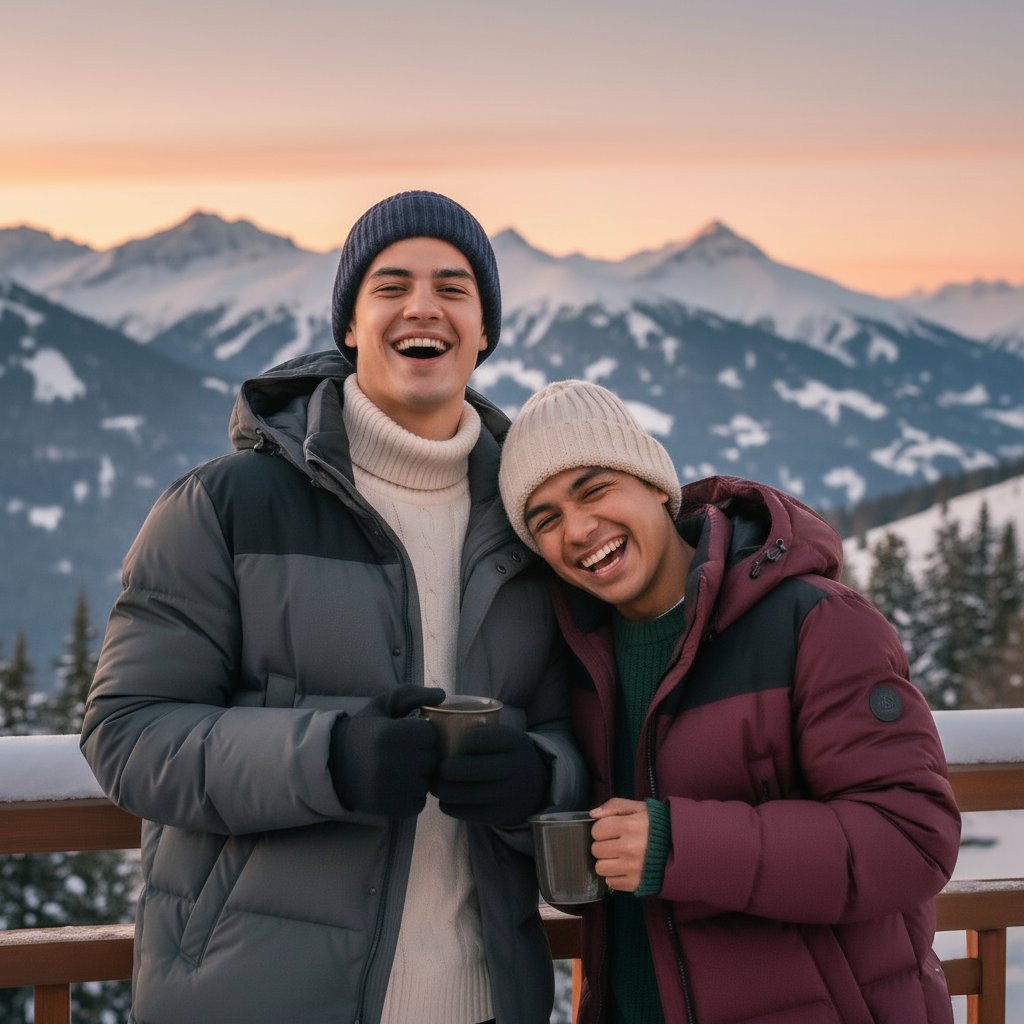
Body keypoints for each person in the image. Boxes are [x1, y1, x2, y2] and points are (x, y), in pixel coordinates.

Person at [80, 191, 587, 1024]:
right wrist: (329, 759)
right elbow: (129, 734)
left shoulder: (532, 524)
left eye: (453, 288)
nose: (422, 306)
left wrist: (541, 777)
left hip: (486, 1000)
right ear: (349, 326)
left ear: (485, 331)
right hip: (256, 1000)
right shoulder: (226, 506)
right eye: (390, 286)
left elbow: (587, 739)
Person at [498, 379, 961, 1024]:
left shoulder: (815, 624)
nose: (578, 530)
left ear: (656, 485)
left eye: (595, 488)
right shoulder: (578, 661)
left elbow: (912, 840)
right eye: (544, 519)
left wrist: (675, 846)